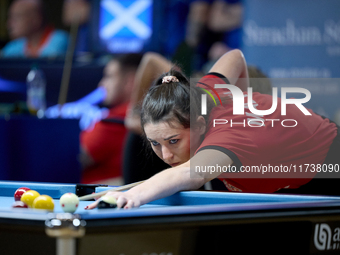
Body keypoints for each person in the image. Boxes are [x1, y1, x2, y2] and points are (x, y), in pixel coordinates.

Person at [86, 49, 339, 210]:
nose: (165, 155)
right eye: (155, 143)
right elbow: (235, 57)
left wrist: (133, 195)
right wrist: (241, 99)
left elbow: (189, 174)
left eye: (173, 141)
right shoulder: (203, 95)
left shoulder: (227, 138)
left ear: (199, 125)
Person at [79, 53, 143, 185]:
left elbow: (72, 158)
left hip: (93, 200)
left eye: (109, 77)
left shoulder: (115, 120)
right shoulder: (152, 112)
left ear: (129, 81)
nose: (101, 84)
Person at [1, 0, 69, 58]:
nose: (9, 24)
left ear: (36, 19)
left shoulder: (60, 40)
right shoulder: (15, 46)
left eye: (17, 17)